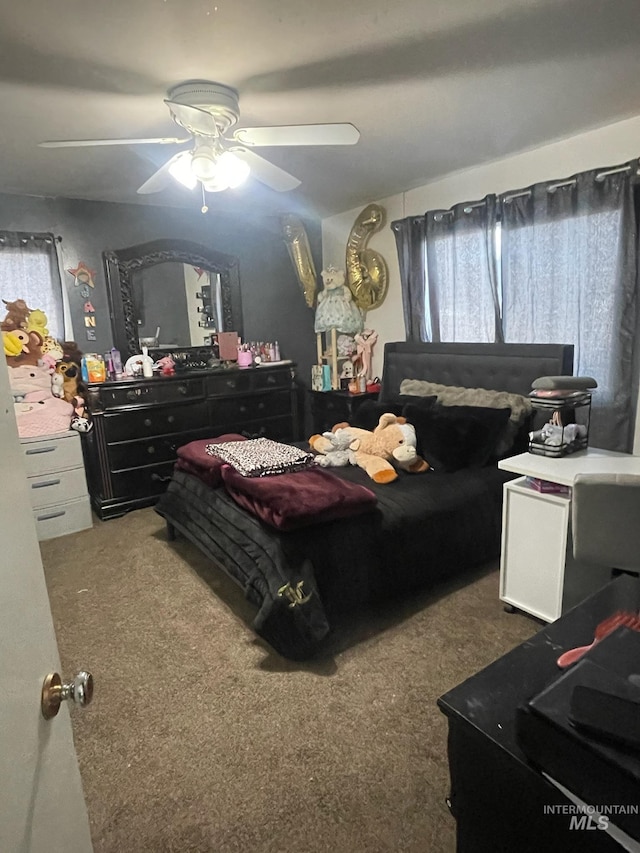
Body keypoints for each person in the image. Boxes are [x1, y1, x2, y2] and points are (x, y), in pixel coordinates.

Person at [314, 266, 363, 335]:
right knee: (329, 321)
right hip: (329, 308)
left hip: (341, 305)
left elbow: (347, 294)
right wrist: (321, 296)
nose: (329, 281)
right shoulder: (327, 290)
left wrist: (346, 298)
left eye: (331, 279)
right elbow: (321, 296)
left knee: (343, 318)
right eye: (328, 279)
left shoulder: (342, 288)